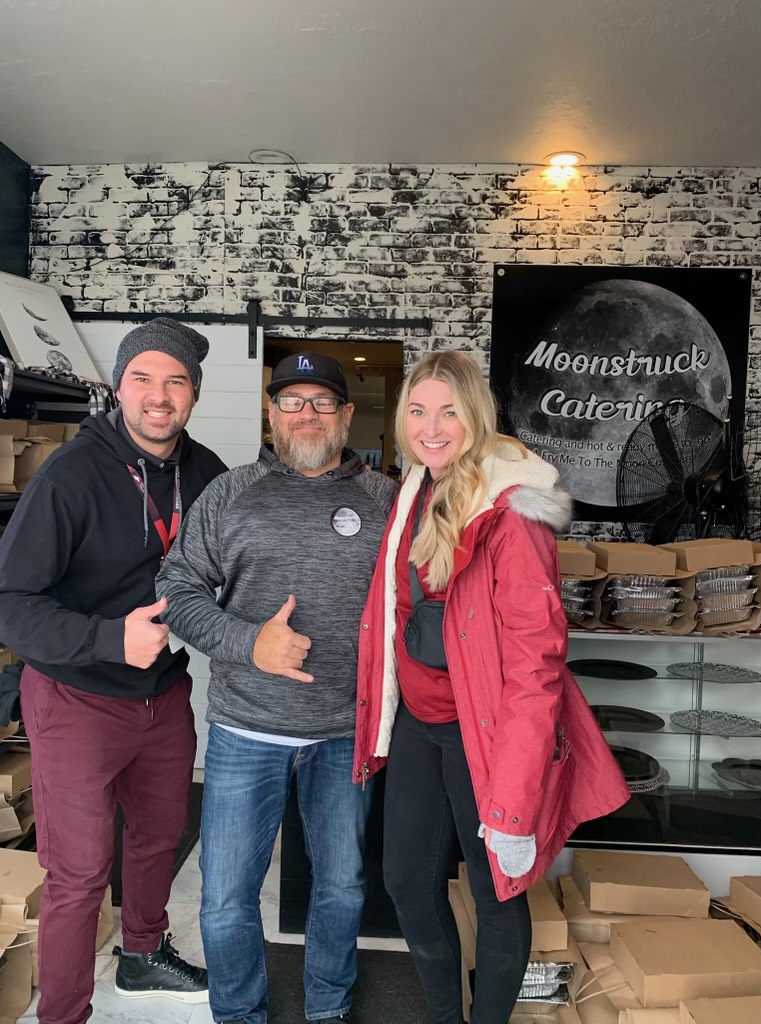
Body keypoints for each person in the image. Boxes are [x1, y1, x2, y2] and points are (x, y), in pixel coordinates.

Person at [354, 351, 629, 1024]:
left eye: (449, 412)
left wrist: (512, 807)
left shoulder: (513, 515)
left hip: (487, 730)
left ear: (475, 417)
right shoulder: (414, 490)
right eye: (418, 411)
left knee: (497, 890)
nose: (431, 428)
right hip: (420, 722)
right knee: (407, 883)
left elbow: (537, 666)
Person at [156, 350, 398, 1024]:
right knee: (225, 897)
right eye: (292, 401)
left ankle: (328, 1008)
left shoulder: (386, 501)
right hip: (245, 729)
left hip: (344, 733)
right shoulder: (229, 494)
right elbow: (176, 589)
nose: (306, 413)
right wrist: (249, 643)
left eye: (322, 402)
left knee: (342, 887)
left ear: (346, 415)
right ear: (272, 414)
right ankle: (239, 1014)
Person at [0, 317, 227, 1024]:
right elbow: (10, 604)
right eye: (142, 378)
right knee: (78, 873)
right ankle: (63, 1013)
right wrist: (107, 638)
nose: (159, 396)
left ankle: (142, 954)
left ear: (194, 393)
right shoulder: (70, 476)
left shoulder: (207, 473)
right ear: (119, 387)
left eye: (176, 381)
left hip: (162, 694)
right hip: (76, 697)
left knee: (158, 837)